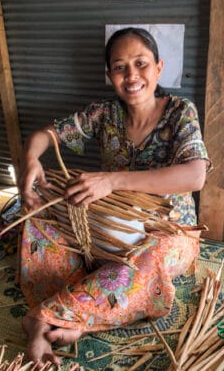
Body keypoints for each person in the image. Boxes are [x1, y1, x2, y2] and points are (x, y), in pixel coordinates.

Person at [17, 27, 211, 367]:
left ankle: (47, 318)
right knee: (38, 220)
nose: (131, 75)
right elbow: (45, 135)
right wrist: (31, 161)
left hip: (167, 233)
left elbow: (195, 175)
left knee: (147, 266)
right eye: (120, 67)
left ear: (159, 68)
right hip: (105, 227)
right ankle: (82, 313)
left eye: (141, 64)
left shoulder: (180, 112)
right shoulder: (104, 114)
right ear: (109, 76)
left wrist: (113, 180)